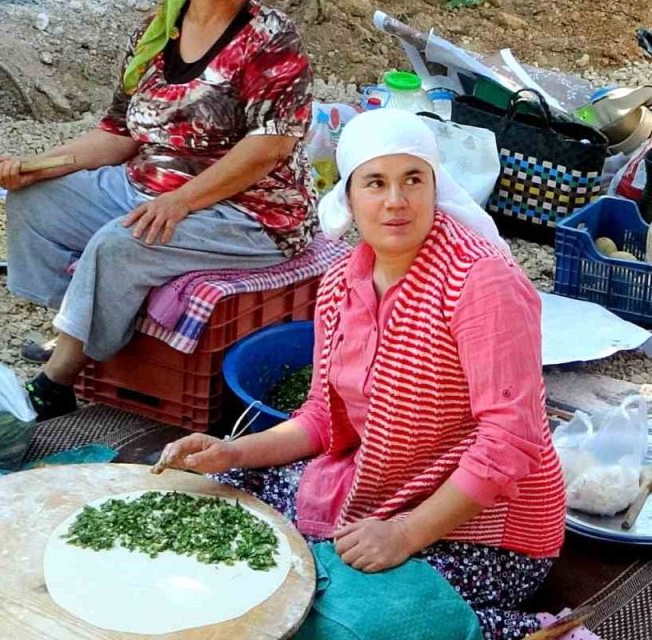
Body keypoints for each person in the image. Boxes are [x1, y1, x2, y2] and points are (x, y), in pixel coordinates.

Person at [154, 109, 569, 640]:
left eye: (412, 180)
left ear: (434, 186)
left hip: (486, 529)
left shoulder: (481, 280)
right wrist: (232, 451)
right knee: (208, 502)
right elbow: (324, 421)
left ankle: (516, 630)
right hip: (381, 488)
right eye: (375, 182)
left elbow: (510, 442)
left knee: (338, 620)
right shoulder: (342, 282)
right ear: (350, 198)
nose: (396, 201)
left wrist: (403, 534)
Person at [0, 0, 316, 421]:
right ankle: (76, 331)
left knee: (120, 242)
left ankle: (57, 382)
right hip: (150, 183)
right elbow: (118, 133)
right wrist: (38, 166)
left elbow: (269, 148)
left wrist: (182, 201)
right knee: (37, 201)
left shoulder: (270, 37)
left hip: (249, 209)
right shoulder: (156, 30)